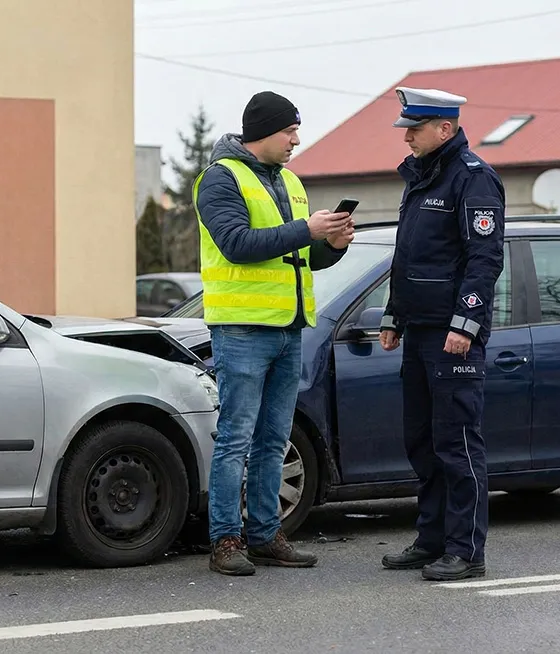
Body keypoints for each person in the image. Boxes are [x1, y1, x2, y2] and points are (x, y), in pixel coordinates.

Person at [194, 90, 355, 576]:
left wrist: (333, 245)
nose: (296, 140)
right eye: (289, 132)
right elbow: (238, 245)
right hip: (242, 330)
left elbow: (299, 256)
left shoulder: (289, 180)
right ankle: (225, 540)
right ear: (263, 131)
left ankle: (265, 535)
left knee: (274, 438)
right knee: (236, 438)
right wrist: (307, 229)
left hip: (289, 328)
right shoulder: (220, 179)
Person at [377, 88, 506, 581]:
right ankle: (431, 540)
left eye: (415, 127)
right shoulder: (420, 177)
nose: (407, 135)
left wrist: (465, 324)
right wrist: (393, 316)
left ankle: (466, 550)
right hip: (420, 332)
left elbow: (484, 259)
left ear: (445, 129)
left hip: (453, 336)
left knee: (457, 444)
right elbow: (407, 257)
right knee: (423, 442)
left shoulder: (474, 179)